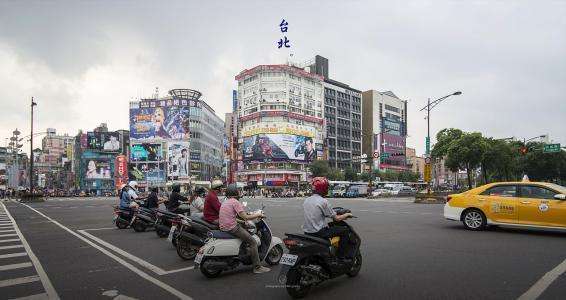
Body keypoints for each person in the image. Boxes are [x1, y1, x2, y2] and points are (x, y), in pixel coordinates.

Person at [219, 184, 270, 274]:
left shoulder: (226, 201)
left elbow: (233, 217)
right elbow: (245, 217)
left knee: (245, 230)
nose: (240, 192)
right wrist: (258, 215)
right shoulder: (235, 202)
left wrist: (242, 222)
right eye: (238, 191)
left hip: (224, 226)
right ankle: (257, 267)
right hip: (232, 228)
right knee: (253, 242)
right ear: (235, 192)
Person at [303, 177, 353, 259]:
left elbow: (317, 213)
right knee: (345, 231)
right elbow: (336, 219)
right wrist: (346, 215)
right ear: (324, 188)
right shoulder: (323, 201)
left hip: (307, 232)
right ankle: (341, 256)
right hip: (319, 232)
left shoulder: (307, 200)